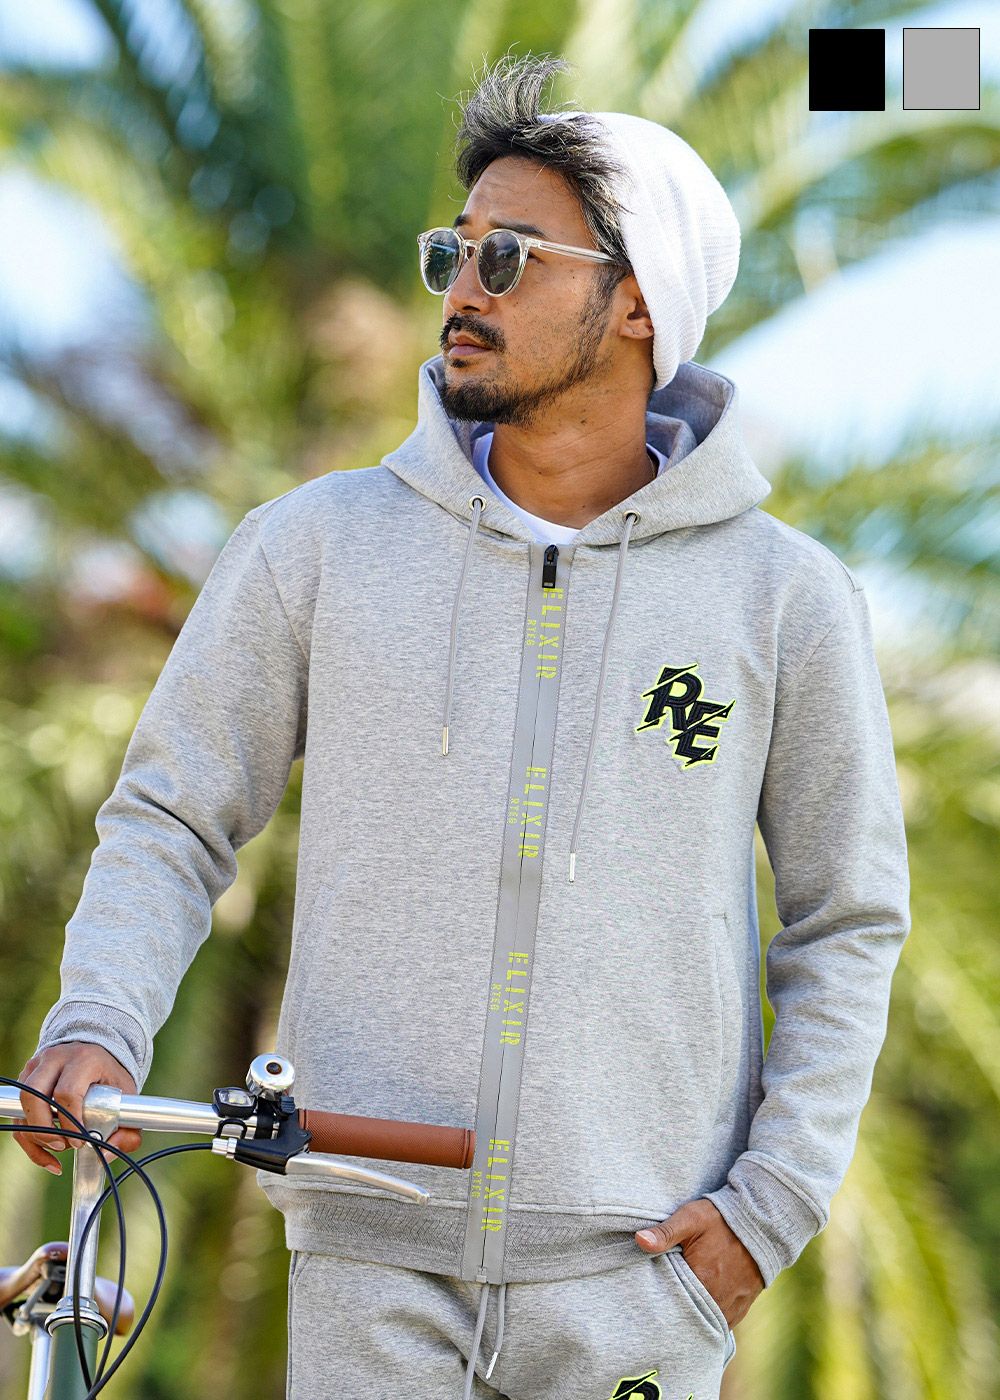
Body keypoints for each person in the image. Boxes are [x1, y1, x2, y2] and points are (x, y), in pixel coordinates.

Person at [15, 52, 911, 1400]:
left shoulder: (785, 599)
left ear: (638, 302)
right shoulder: (315, 547)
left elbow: (848, 921)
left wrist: (766, 1212)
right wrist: (100, 1019)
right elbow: (173, 815)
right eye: (455, 252)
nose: (462, 291)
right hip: (367, 1264)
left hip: (640, 1281)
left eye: (510, 258)